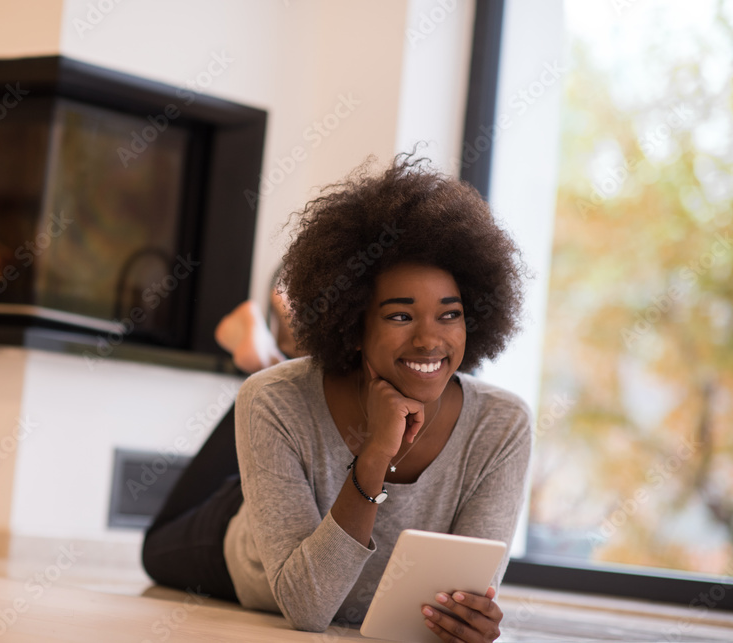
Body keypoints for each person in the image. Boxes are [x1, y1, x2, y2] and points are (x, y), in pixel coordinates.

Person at [142, 154, 531, 640]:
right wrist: (373, 457)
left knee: (274, 390)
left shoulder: (502, 423)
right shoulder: (276, 403)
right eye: (400, 316)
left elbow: (463, 595)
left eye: (449, 315)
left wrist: (469, 618)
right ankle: (269, 361)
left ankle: (271, 350)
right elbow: (308, 608)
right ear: (352, 323)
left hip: (293, 421)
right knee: (155, 547)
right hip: (246, 547)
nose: (431, 340)